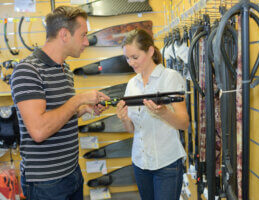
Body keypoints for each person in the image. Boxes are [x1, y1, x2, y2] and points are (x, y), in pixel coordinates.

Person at [10, 6, 109, 200]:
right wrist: (78, 99)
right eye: (83, 35)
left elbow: (58, 114)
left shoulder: (65, 69)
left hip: (72, 173)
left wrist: (82, 109)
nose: (87, 42)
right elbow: (39, 131)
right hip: (46, 184)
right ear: (64, 34)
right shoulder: (27, 71)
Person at [116, 29, 189, 200]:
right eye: (127, 58)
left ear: (150, 51)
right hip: (140, 164)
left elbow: (184, 123)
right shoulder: (131, 85)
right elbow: (132, 130)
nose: (131, 63)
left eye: (135, 57)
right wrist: (124, 119)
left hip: (167, 164)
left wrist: (163, 113)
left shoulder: (170, 77)